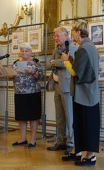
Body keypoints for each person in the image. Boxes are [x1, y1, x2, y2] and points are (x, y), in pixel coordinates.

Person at [61, 22, 100, 167]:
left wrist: (66, 62)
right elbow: (81, 68)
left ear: (79, 32)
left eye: (73, 31)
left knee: (87, 125)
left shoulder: (84, 48)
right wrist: (71, 60)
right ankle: (78, 152)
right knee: (80, 124)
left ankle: (90, 156)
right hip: (85, 93)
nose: (71, 34)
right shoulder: (88, 47)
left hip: (85, 94)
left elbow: (75, 73)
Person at [46, 26, 78, 155]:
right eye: (55, 36)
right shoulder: (56, 49)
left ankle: (71, 143)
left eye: (57, 35)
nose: (55, 38)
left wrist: (56, 62)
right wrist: (58, 61)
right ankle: (61, 141)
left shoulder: (73, 47)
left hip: (66, 87)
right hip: (57, 86)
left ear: (65, 35)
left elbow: (67, 63)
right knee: (59, 117)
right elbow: (48, 64)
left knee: (70, 117)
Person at [11, 43, 43, 149]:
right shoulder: (15, 63)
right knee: (21, 117)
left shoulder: (36, 63)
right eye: (22, 50)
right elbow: (11, 77)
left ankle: (33, 139)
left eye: (26, 50)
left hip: (33, 93)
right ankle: (23, 138)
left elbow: (40, 77)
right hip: (19, 93)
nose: (24, 52)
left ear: (31, 52)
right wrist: (12, 74)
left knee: (33, 116)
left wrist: (33, 72)